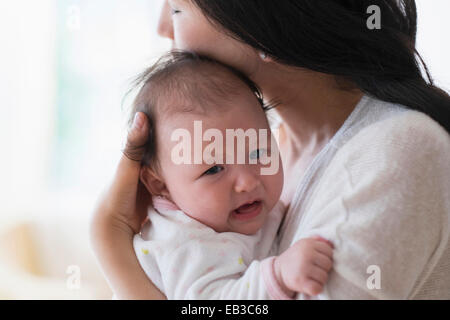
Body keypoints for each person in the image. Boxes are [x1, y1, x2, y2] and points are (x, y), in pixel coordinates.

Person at [90, 0, 450, 299]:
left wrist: (111, 240)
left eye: (179, 9)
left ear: (260, 19)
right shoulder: (269, 154)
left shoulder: (392, 154)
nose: (162, 27)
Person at [129, 50, 333, 299]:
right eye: (214, 169)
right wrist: (277, 276)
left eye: (257, 153)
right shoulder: (185, 242)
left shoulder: (232, 211)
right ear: (160, 185)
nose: (247, 182)